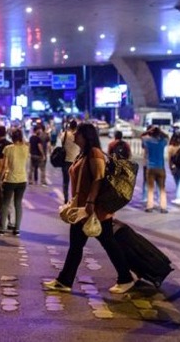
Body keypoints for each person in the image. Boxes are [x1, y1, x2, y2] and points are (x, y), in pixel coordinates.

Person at [43, 123, 136, 294]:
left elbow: (98, 178)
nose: (74, 136)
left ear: (86, 136)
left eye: (77, 134)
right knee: (80, 245)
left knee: (106, 243)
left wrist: (90, 203)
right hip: (83, 208)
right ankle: (65, 281)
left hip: (94, 210)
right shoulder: (83, 154)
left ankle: (126, 278)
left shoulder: (95, 153)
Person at [0, 128, 29, 236]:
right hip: (22, 179)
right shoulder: (26, 148)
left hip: (10, 179)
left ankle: (2, 228)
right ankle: (17, 229)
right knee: (18, 204)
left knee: (5, 204)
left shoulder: (8, 148)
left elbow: (5, 166)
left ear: (12, 137)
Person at [142, 126, 169, 213]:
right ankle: (163, 207)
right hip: (160, 167)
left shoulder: (148, 141)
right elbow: (167, 137)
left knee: (150, 188)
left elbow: (141, 136)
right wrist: (160, 131)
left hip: (150, 168)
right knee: (162, 188)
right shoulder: (162, 142)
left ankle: (149, 207)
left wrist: (149, 130)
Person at [60, 120, 80, 203]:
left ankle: (66, 199)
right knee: (76, 182)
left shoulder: (64, 135)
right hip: (77, 162)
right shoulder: (79, 136)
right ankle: (74, 200)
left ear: (69, 126)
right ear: (76, 127)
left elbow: (62, 144)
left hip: (66, 161)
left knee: (66, 181)